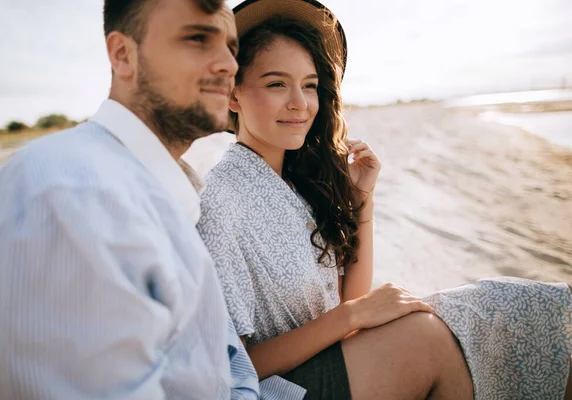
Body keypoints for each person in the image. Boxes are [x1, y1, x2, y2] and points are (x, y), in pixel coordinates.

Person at [197, 0, 572, 399]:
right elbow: (227, 367)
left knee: (506, 305)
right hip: (277, 390)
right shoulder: (221, 199)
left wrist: (361, 203)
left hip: (328, 362)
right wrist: (353, 315)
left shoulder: (291, 187)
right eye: (276, 83)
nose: (300, 103)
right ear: (233, 96)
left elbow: (348, 304)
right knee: (426, 337)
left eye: (309, 85)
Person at [0, 0, 305, 399]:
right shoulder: (73, 196)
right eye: (198, 38)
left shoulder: (155, 189)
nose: (228, 65)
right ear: (123, 55)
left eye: (231, 48)